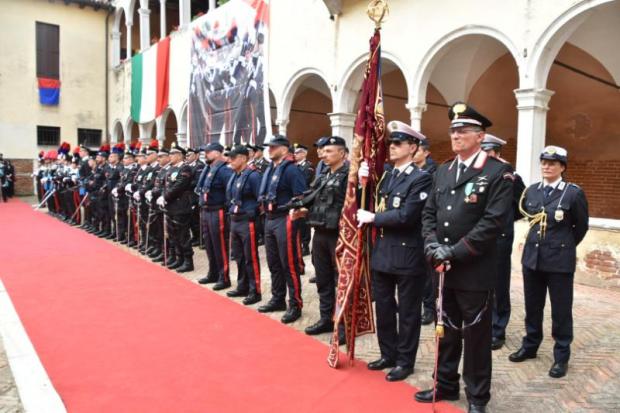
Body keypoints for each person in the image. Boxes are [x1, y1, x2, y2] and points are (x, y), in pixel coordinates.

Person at [415, 102, 514, 413]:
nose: (456, 136)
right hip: (442, 267)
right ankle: (445, 383)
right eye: (453, 131)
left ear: (480, 136)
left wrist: (453, 251)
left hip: (473, 268)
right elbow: (429, 212)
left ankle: (477, 396)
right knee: (445, 331)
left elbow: (492, 222)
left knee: (475, 337)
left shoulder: (498, 172)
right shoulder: (443, 170)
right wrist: (432, 246)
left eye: (463, 131)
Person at [356, 121, 433, 382]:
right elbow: (370, 203)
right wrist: (361, 181)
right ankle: (388, 353)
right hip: (384, 252)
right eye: (391, 143)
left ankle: (404, 360)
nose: (391, 147)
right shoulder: (388, 176)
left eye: (398, 144)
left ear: (412, 148)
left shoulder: (421, 178)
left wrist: (373, 219)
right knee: (385, 308)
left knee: (409, 312)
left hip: (408, 254)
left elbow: (407, 216)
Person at [509, 145, 589, 379]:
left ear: (562, 167)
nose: (546, 166)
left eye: (552, 163)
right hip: (532, 259)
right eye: (543, 162)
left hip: (559, 261)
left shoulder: (573, 193)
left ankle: (561, 356)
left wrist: (562, 246)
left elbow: (581, 227)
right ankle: (530, 345)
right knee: (532, 306)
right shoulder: (532, 191)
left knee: (561, 311)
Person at [295, 136, 349, 343]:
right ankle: (326, 317)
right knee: (323, 278)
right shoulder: (324, 174)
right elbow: (313, 197)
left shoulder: (348, 176)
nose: (323, 155)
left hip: (339, 234)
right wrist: (301, 208)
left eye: (329, 151)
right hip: (320, 232)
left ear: (342, 153)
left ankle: (343, 323)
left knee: (341, 280)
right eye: (323, 151)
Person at [480, 134, 525, 350]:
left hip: (499, 238)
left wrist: (506, 220)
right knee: (477, 282)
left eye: (490, 151)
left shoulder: (511, 176)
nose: (487, 155)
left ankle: (498, 330)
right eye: (484, 151)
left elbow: (523, 204)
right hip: (478, 237)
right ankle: (479, 325)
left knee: (499, 284)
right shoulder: (477, 173)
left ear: (497, 153)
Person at [257, 135, 307, 324]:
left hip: (285, 218)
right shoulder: (271, 168)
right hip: (269, 218)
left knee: (289, 265)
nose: (269, 149)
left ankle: (295, 304)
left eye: (273, 147)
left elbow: (300, 195)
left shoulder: (292, 170)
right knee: (274, 263)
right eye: (269, 146)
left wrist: (295, 214)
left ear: (284, 149)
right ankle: (278, 299)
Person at [225, 145, 263, 305]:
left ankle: (255, 291)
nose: (230, 161)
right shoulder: (235, 175)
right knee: (239, 256)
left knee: (250, 257)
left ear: (242, 158)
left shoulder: (253, 175)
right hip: (235, 220)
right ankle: (243, 285)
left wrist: (251, 214)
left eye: (233, 158)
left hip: (247, 221)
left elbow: (260, 199)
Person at [195, 142, 234, 288]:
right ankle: (213, 273)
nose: (206, 154)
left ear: (218, 153)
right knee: (209, 244)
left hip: (218, 210)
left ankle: (224, 277)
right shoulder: (208, 168)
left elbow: (229, 191)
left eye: (209, 151)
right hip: (206, 210)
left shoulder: (224, 170)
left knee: (220, 245)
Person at [413, 139, 438, 326]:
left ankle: (429, 308)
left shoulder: (434, 172)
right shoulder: (412, 171)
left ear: (426, 153)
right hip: (413, 226)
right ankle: (419, 303)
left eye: (418, 150)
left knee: (429, 273)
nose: (414, 153)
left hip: (427, 226)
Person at [160, 144, 195, 273]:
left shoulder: (185, 168)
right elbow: (166, 186)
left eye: (173, 154)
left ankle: (188, 261)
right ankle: (178, 258)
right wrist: (163, 196)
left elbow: (179, 185)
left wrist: (165, 197)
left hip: (181, 206)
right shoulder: (171, 169)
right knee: (173, 235)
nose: (170, 156)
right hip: (170, 207)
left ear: (180, 155)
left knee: (183, 235)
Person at [294, 143, 314, 256]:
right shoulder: (295, 166)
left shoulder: (308, 166)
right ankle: (299, 243)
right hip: (296, 198)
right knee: (298, 221)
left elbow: (305, 182)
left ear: (303, 154)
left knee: (304, 222)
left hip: (304, 197)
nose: (295, 155)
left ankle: (305, 245)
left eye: (297, 153)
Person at [185, 147, 205, 247]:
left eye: (189, 155)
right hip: (188, 196)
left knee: (197, 219)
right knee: (191, 219)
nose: (187, 157)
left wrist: (185, 183)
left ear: (196, 155)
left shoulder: (200, 166)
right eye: (186, 155)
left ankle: (201, 238)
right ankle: (195, 236)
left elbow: (198, 182)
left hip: (195, 196)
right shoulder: (187, 166)